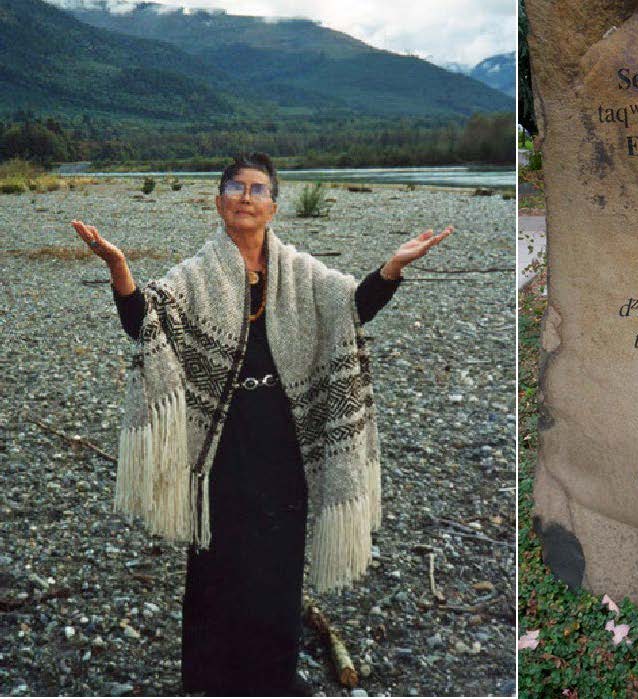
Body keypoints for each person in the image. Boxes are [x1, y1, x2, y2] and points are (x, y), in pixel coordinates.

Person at [72, 152, 451, 696]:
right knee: (215, 569)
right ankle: (208, 683)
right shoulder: (196, 275)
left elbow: (353, 308)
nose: (246, 197)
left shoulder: (300, 272)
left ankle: (271, 681)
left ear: (274, 206)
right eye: (236, 187)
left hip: (284, 437)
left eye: (257, 190)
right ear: (219, 200)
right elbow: (145, 326)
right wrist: (119, 270)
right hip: (223, 441)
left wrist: (392, 269)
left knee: (276, 572)